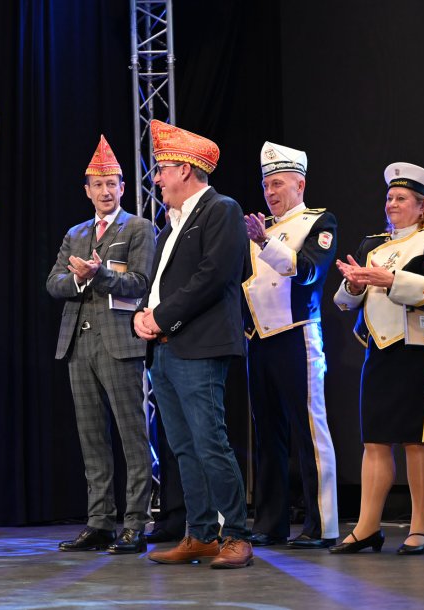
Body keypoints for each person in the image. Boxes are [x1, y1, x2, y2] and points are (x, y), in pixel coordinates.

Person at [133, 119, 253, 569]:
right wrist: (143, 315)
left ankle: (236, 533)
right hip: (165, 349)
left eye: (162, 170)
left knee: (209, 441)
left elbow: (213, 277)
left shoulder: (221, 209)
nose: (157, 179)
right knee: (183, 446)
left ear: (185, 169)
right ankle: (200, 534)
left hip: (199, 346)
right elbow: (158, 285)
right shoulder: (171, 226)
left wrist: (160, 317)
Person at [47, 135, 154, 554]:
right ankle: (100, 522)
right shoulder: (75, 233)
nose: (106, 191)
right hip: (79, 342)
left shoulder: (138, 228)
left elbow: (140, 283)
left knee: (132, 434)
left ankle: (136, 522)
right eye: (98, 185)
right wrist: (78, 279)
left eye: (112, 184)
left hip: (120, 342)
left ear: (123, 188)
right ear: (87, 190)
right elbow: (54, 283)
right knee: (91, 437)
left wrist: (99, 275)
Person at [332, 162, 424, 556]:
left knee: (417, 440)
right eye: (389, 197)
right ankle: (367, 528)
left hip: (419, 349)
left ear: (422, 206)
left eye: (401, 198)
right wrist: (352, 284)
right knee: (375, 441)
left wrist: (391, 280)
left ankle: (421, 527)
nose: (391, 204)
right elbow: (345, 302)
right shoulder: (372, 245)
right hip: (379, 348)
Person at [242, 142, 339, 549]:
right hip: (259, 339)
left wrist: (266, 242)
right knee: (267, 434)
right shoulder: (257, 227)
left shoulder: (318, 221)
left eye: (278, 183)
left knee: (310, 430)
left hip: (297, 334)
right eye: (266, 185)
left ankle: (322, 525)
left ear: (300, 185)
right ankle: (270, 523)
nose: (270, 192)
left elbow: (310, 272)